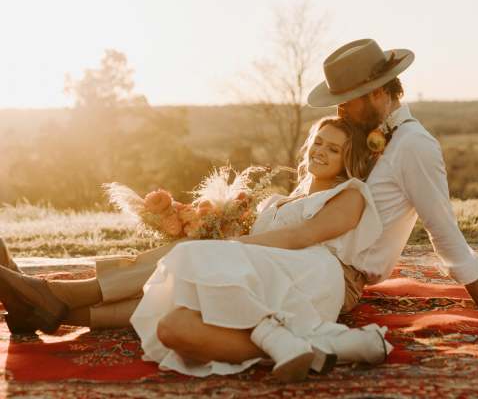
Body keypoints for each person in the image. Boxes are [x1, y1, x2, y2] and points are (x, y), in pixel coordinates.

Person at [0, 116, 393, 382]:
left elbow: (301, 238)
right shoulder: (281, 201)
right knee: (177, 292)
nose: (320, 151)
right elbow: (272, 238)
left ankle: (57, 296)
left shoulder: (350, 193)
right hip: (269, 265)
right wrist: (215, 231)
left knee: (190, 258)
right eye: (318, 142)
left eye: (334, 148)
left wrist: (229, 247)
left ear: (348, 159)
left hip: (314, 274)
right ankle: (52, 309)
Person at [307, 38, 478, 314]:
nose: (340, 111)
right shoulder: (366, 135)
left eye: (346, 102)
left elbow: (441, 224)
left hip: (334, 275)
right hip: (311, 256)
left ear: (378, 92)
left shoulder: (414, 145)